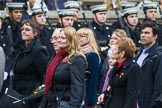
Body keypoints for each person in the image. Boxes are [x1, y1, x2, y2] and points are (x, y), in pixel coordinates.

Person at [44, 27, 87, 108]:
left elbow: (77, 86)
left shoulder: (76, 58)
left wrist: (74, 106)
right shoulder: (58, 57)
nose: (59, 40)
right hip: (55, 101)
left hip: (66, 103)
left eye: (63, 38)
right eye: (59, 37)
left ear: (71, 40)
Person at [12, 19, 49, 108]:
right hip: (18, 94)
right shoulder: (21, 48)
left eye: (27, 30)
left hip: (30, 98)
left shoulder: (39, 51)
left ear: (35, 33)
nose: (23, 32)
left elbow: (45, 76)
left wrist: (36, 94)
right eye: (23, 29)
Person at [98, 37, 141, 108]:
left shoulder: (133, 68)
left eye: (114, 49)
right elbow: (113, 87)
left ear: (122, 53)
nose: (112, 51)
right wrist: (104, 94)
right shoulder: (116, 65)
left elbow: (132, 96)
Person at [136, 21, 162, 108]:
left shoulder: (158, 57)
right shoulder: (138, 55)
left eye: (147, 33)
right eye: (142, 32)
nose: (143, 35)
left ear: (155, 36)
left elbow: (159, 87)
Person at [97, 29, 128, 94]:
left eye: (115, 38)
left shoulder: (123, 56)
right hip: (102, 90)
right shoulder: (105, 54)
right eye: (111, 38)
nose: (111, 40)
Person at [77, 28, 100, 108]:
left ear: (89, 38)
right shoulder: (78, 53)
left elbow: (93, 79)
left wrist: (90, 100)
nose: (79, 38)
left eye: (82, 36)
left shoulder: (91, 55)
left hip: (87, 96)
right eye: (77, 36)